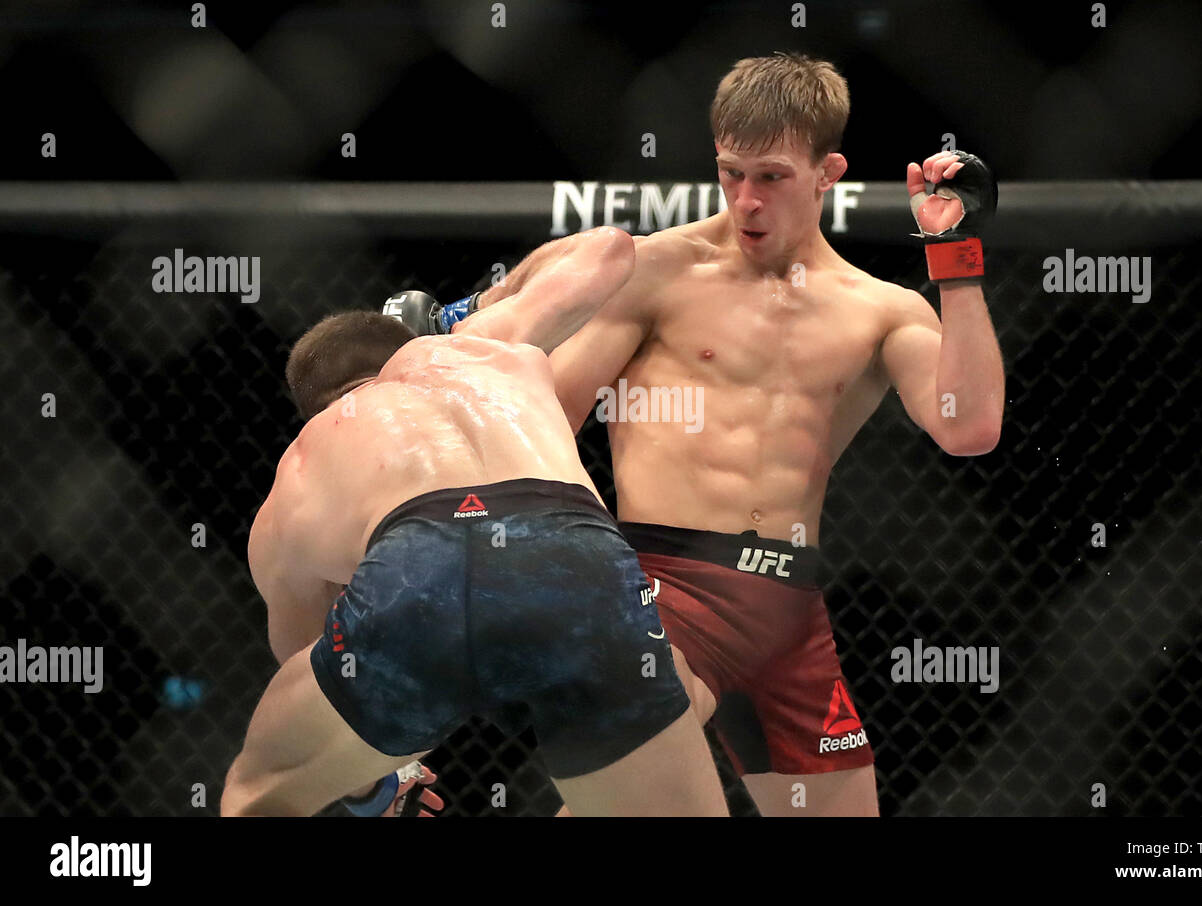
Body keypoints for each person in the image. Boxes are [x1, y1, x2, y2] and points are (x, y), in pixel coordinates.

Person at [532, 53, 1005, 816]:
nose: (747, 200)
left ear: (829, 172)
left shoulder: (878, 309)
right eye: (731, 173)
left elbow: (971, 427)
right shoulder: (656, 270)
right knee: (638, 788)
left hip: (787, 608)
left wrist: (956, 261)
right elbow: (547, 415)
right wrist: (588, 563)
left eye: (773, 177)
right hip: (665, 583)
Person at [220, 226, 729, 817]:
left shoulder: (302, 464)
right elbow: (611, 251)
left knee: (256, 795)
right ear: (406, 347)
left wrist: (373, 783)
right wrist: (468, 310)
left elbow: (309, 652)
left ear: (314, 407)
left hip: (423, 562)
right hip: (578, 552)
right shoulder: (479, 345)